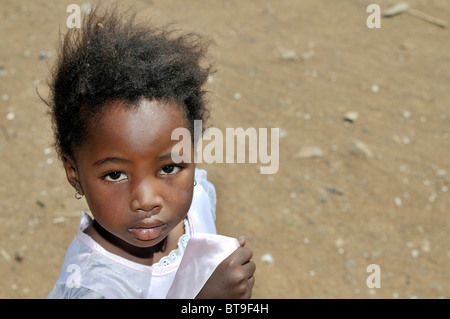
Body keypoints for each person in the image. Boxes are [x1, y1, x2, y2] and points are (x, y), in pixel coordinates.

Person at [45, 4, 255, 299]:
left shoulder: (196, 200)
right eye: (115, 174)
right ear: (74, 174)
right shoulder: (91, 287)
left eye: (169, 168)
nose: (147, 200)